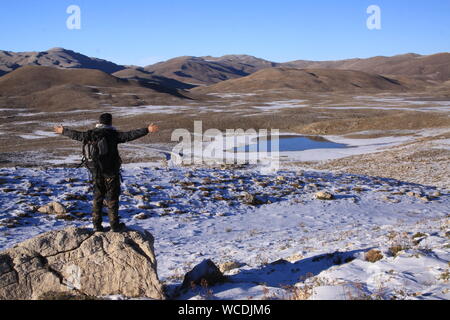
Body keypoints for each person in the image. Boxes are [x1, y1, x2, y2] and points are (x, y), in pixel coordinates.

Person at [54, 113, 159, 232]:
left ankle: (96, 225)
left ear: (99, 122)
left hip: (95, 172)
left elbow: (76, 135)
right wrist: (147, 130)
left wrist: (63, 131)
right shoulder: (113, 135)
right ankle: (114, 225)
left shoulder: (90, 134)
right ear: (110, 122)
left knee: (97, 198)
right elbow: (130, 135)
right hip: (111, 173)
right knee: (112, 198)